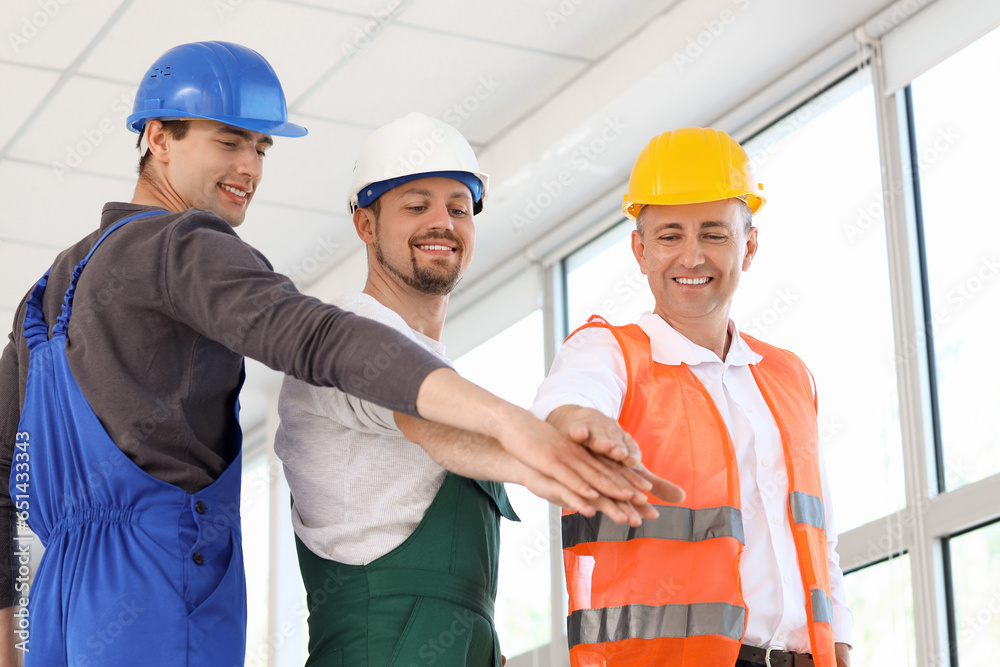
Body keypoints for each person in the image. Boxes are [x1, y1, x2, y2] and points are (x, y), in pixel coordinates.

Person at [0, 44, 656, 667]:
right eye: (228, 142)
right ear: (157, 138)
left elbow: (4, 477)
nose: (250, 168)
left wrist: (10, 642)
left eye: (261, 146)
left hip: (62, 598)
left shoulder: (48, 291)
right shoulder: (185, 244)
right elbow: (317, 337)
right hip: (158, 584)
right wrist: (513, 424)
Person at [274, 112, 684, 667]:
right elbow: (430, 427)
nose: (441, 221)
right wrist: (544, 455)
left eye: (458, 207)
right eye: (416, 206)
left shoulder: (447, 375)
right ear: (365, 225)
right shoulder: (338, 344)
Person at [530, 127, 853, 667]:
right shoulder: (609, 353)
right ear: (639, 249)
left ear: (748, 246)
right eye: (669, 235)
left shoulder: (789, 376)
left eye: (714, 234)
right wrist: (579, 425)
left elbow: (822, 542)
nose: (691, 256)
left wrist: (839, 647)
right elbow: (561, 409)